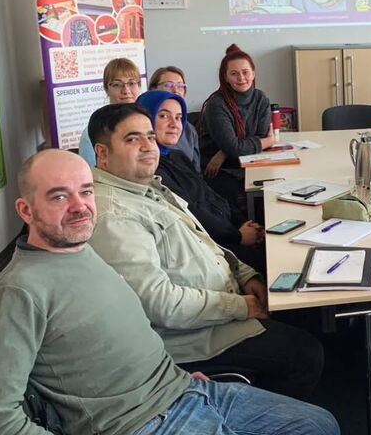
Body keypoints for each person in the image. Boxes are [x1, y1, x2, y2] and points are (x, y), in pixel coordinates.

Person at [0, 149, 338, 435]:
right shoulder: (20, 290)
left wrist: (174, 375)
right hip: (137, 423)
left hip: (182, 387)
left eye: (86, 191)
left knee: (318, 424)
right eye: (59, 196)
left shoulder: (83, 249)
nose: (80, 207)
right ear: (26, 210)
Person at [88, 103, 323, 401]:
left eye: (150, 136)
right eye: (132, 139)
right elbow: (160, 305)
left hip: (216, 305)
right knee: (306, 354)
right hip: (193, 338)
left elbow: (203, 240)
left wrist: (245, 274)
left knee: (300, 307)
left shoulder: (148, 187)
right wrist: (241, 306)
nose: (148, 146)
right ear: (102, 153)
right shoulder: (114, 216)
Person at [137, 90, 266, 271]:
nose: (174, 124)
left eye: (179, 117)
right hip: (212, 246)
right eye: (164, 116)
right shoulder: (152, 171)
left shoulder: (177, 156)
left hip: (228, 231)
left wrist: (243, 222)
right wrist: (238, 235)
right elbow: (192, 214)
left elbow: (209, 194)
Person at [199, 44, 275, 212]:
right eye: (234, 73)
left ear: (253, 73)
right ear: (225, 77)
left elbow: (260, 135)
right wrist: (268, 142)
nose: (241, 78)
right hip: (221, 169)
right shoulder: (217, 104)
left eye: (245, 72)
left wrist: (225, 151)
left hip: (249, 161)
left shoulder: (261, 98)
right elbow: (259, 141)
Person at [78, 57, 140, 167]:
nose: (126, 90)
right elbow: (90, 174)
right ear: (106, 89)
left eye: (131, 83)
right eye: (117, 84)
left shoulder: (148, 125)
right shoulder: (92, 133)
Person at [148, 65, 200, 172]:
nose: (176, 90)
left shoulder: (189, 130)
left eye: (180, 86)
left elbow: (196, 170)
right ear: (153, 89)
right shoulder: (145, 125)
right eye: (169, 85)